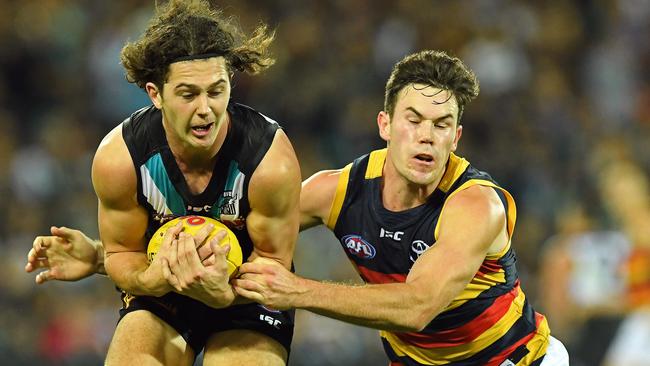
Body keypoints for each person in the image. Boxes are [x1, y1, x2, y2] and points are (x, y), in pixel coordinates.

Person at [27, 50, 568, 365]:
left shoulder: (477, 205)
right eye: (413, 120)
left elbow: (418, 306)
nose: (426, 137)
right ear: (385, 126)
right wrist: (101, 257)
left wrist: (298, 291)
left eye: (441, 125)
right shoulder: (340, 190)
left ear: (457, 137)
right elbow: (224, 232)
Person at [27, 1, 302, 365]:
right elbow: (124, 254)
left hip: (246, 295)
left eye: (216, 90)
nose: (206, 108)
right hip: (161, 290)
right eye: (188, 94)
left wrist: (224, 293)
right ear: (155, 93)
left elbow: (273, 266)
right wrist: (155, 279)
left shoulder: (270, 161)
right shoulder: (120, 158)